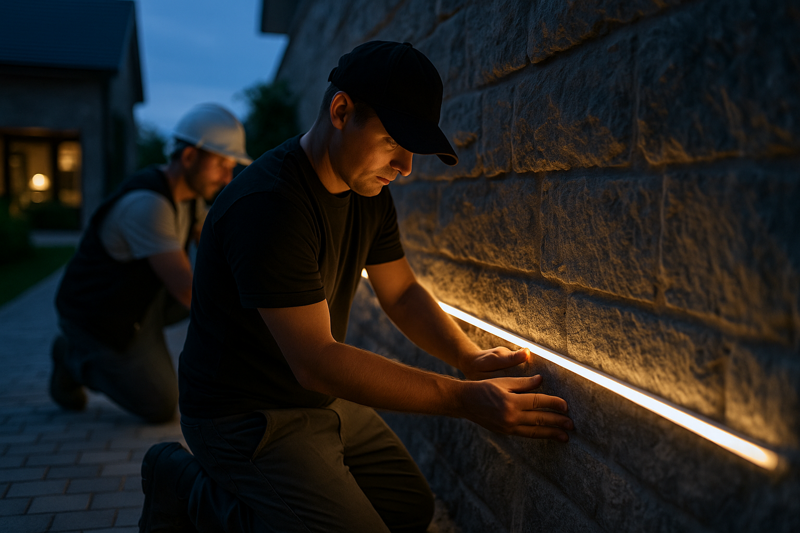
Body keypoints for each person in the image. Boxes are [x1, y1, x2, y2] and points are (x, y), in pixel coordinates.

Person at [139, 41, 573, 533]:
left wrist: (468, 358)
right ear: (341, 111)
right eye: (393, 141)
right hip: (243, 414)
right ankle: (181, 483)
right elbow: (316, 361)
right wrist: (463, 399)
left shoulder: (366, 189)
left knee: (408, 511)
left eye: (413, 148)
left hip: (318, 403)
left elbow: (402, 293)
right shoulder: (269, 206)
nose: (406, 166)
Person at [50, 103, 250, 423]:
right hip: (98, 319)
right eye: (222, 164)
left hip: (138, 305)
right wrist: (255, 331)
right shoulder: (148, 206)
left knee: (213, 291)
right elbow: (188, 292)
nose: (228, 178)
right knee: (159, 404)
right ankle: (72, 356)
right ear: (188, 158)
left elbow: (219, 250)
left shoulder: (192, 198)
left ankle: (141, 344)